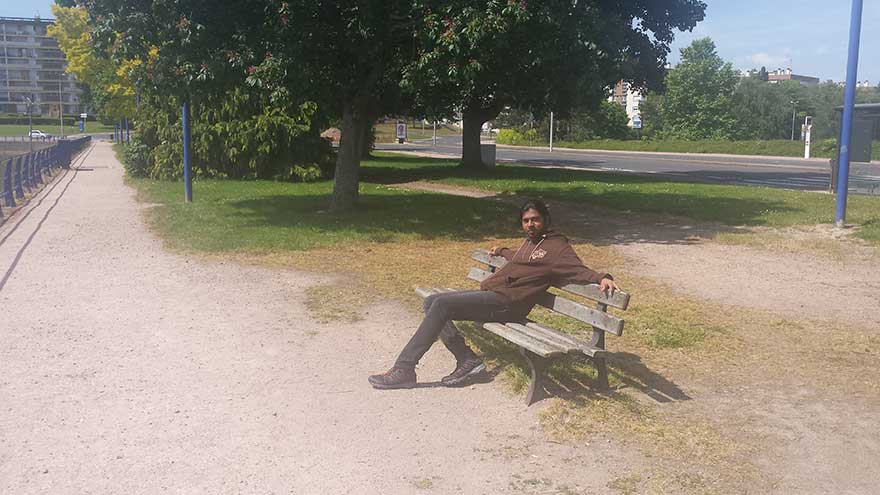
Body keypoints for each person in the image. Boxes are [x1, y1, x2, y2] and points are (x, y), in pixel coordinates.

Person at [368, 199, 619, 390]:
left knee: (441, 304)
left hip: (509, 304)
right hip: (497, 296)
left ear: (546, 219)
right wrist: (502, 250)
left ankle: (405, 369)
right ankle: (467, 359)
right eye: (526, 221)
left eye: (535, 220)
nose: (530, 225)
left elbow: (577, 268)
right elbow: (520, 259)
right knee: (432, 301)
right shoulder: (530, 242)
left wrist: (602, 277)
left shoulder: (557, 246)